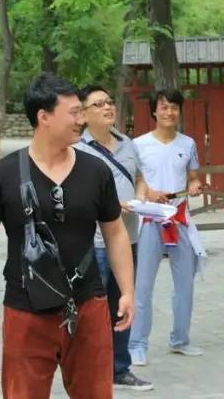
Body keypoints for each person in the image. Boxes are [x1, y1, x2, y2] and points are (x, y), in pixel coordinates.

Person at [0, 73, 135, 398]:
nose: (81, 120)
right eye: (74, 112)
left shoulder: (96, 171)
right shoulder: (1, 175)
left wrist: (127, 291)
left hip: (87, 304)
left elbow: (115, 233)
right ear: (44, 117)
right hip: (25, 310)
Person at [74, 85, 153, 391]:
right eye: (98, 104)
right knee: (94, 309)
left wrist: (141, 198)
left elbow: (140, 178)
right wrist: (111, 206)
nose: (108, 107)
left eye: (109, 102)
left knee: (123, 304)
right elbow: (77, 195)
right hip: (95, 243)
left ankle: (119, 368)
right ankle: (89, 369)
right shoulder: (78, 149)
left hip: (128, 238)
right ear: (83, 114)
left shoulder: (128, 144)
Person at [128, 89, 207, 365]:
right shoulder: (138, 145)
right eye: (164, 107)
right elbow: (135, 179)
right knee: (143, 286)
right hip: (149, 220)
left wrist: (195, 185)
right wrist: (148, 193)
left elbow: (194, 176)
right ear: (154, 111)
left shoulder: (188, 143)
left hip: (179, 219)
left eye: (174, 107)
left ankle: (180, 339)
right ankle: (137, 344)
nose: (169, 112)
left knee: (185, 284)